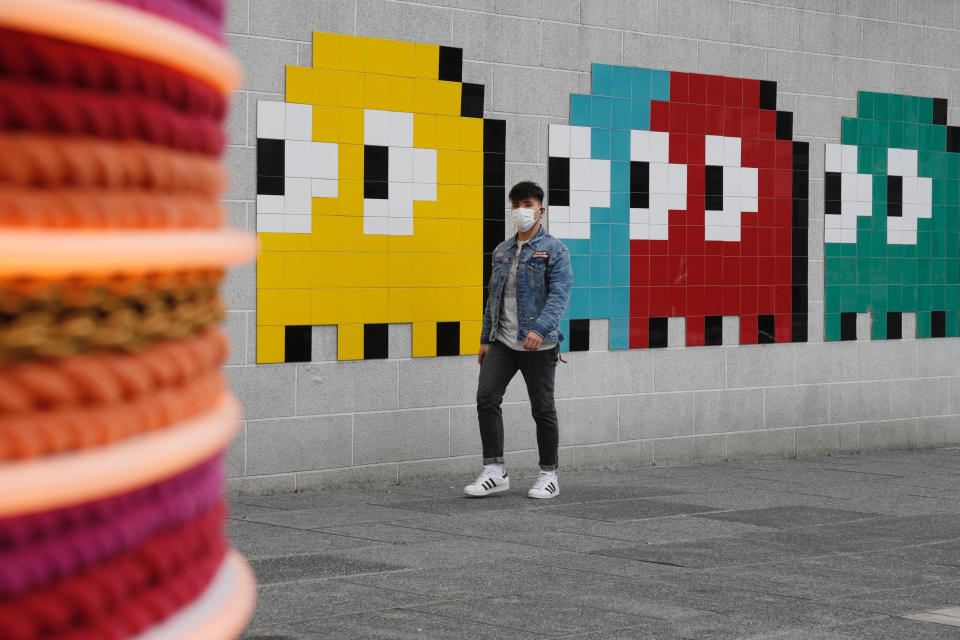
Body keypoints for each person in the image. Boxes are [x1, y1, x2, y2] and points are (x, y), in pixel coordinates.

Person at [464, 181, 573, 499]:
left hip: (539, 344)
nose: (521, 211)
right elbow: (492, 299)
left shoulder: (554, 249)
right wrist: (486, 338)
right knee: (486, 398)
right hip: (502, 341)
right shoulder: (502, 250)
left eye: (527, 204)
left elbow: (560, 294)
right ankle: (495, 471)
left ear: (541, 209)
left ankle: (549, 474)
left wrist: (538, 329)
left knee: (542, 408)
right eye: (516, 205)